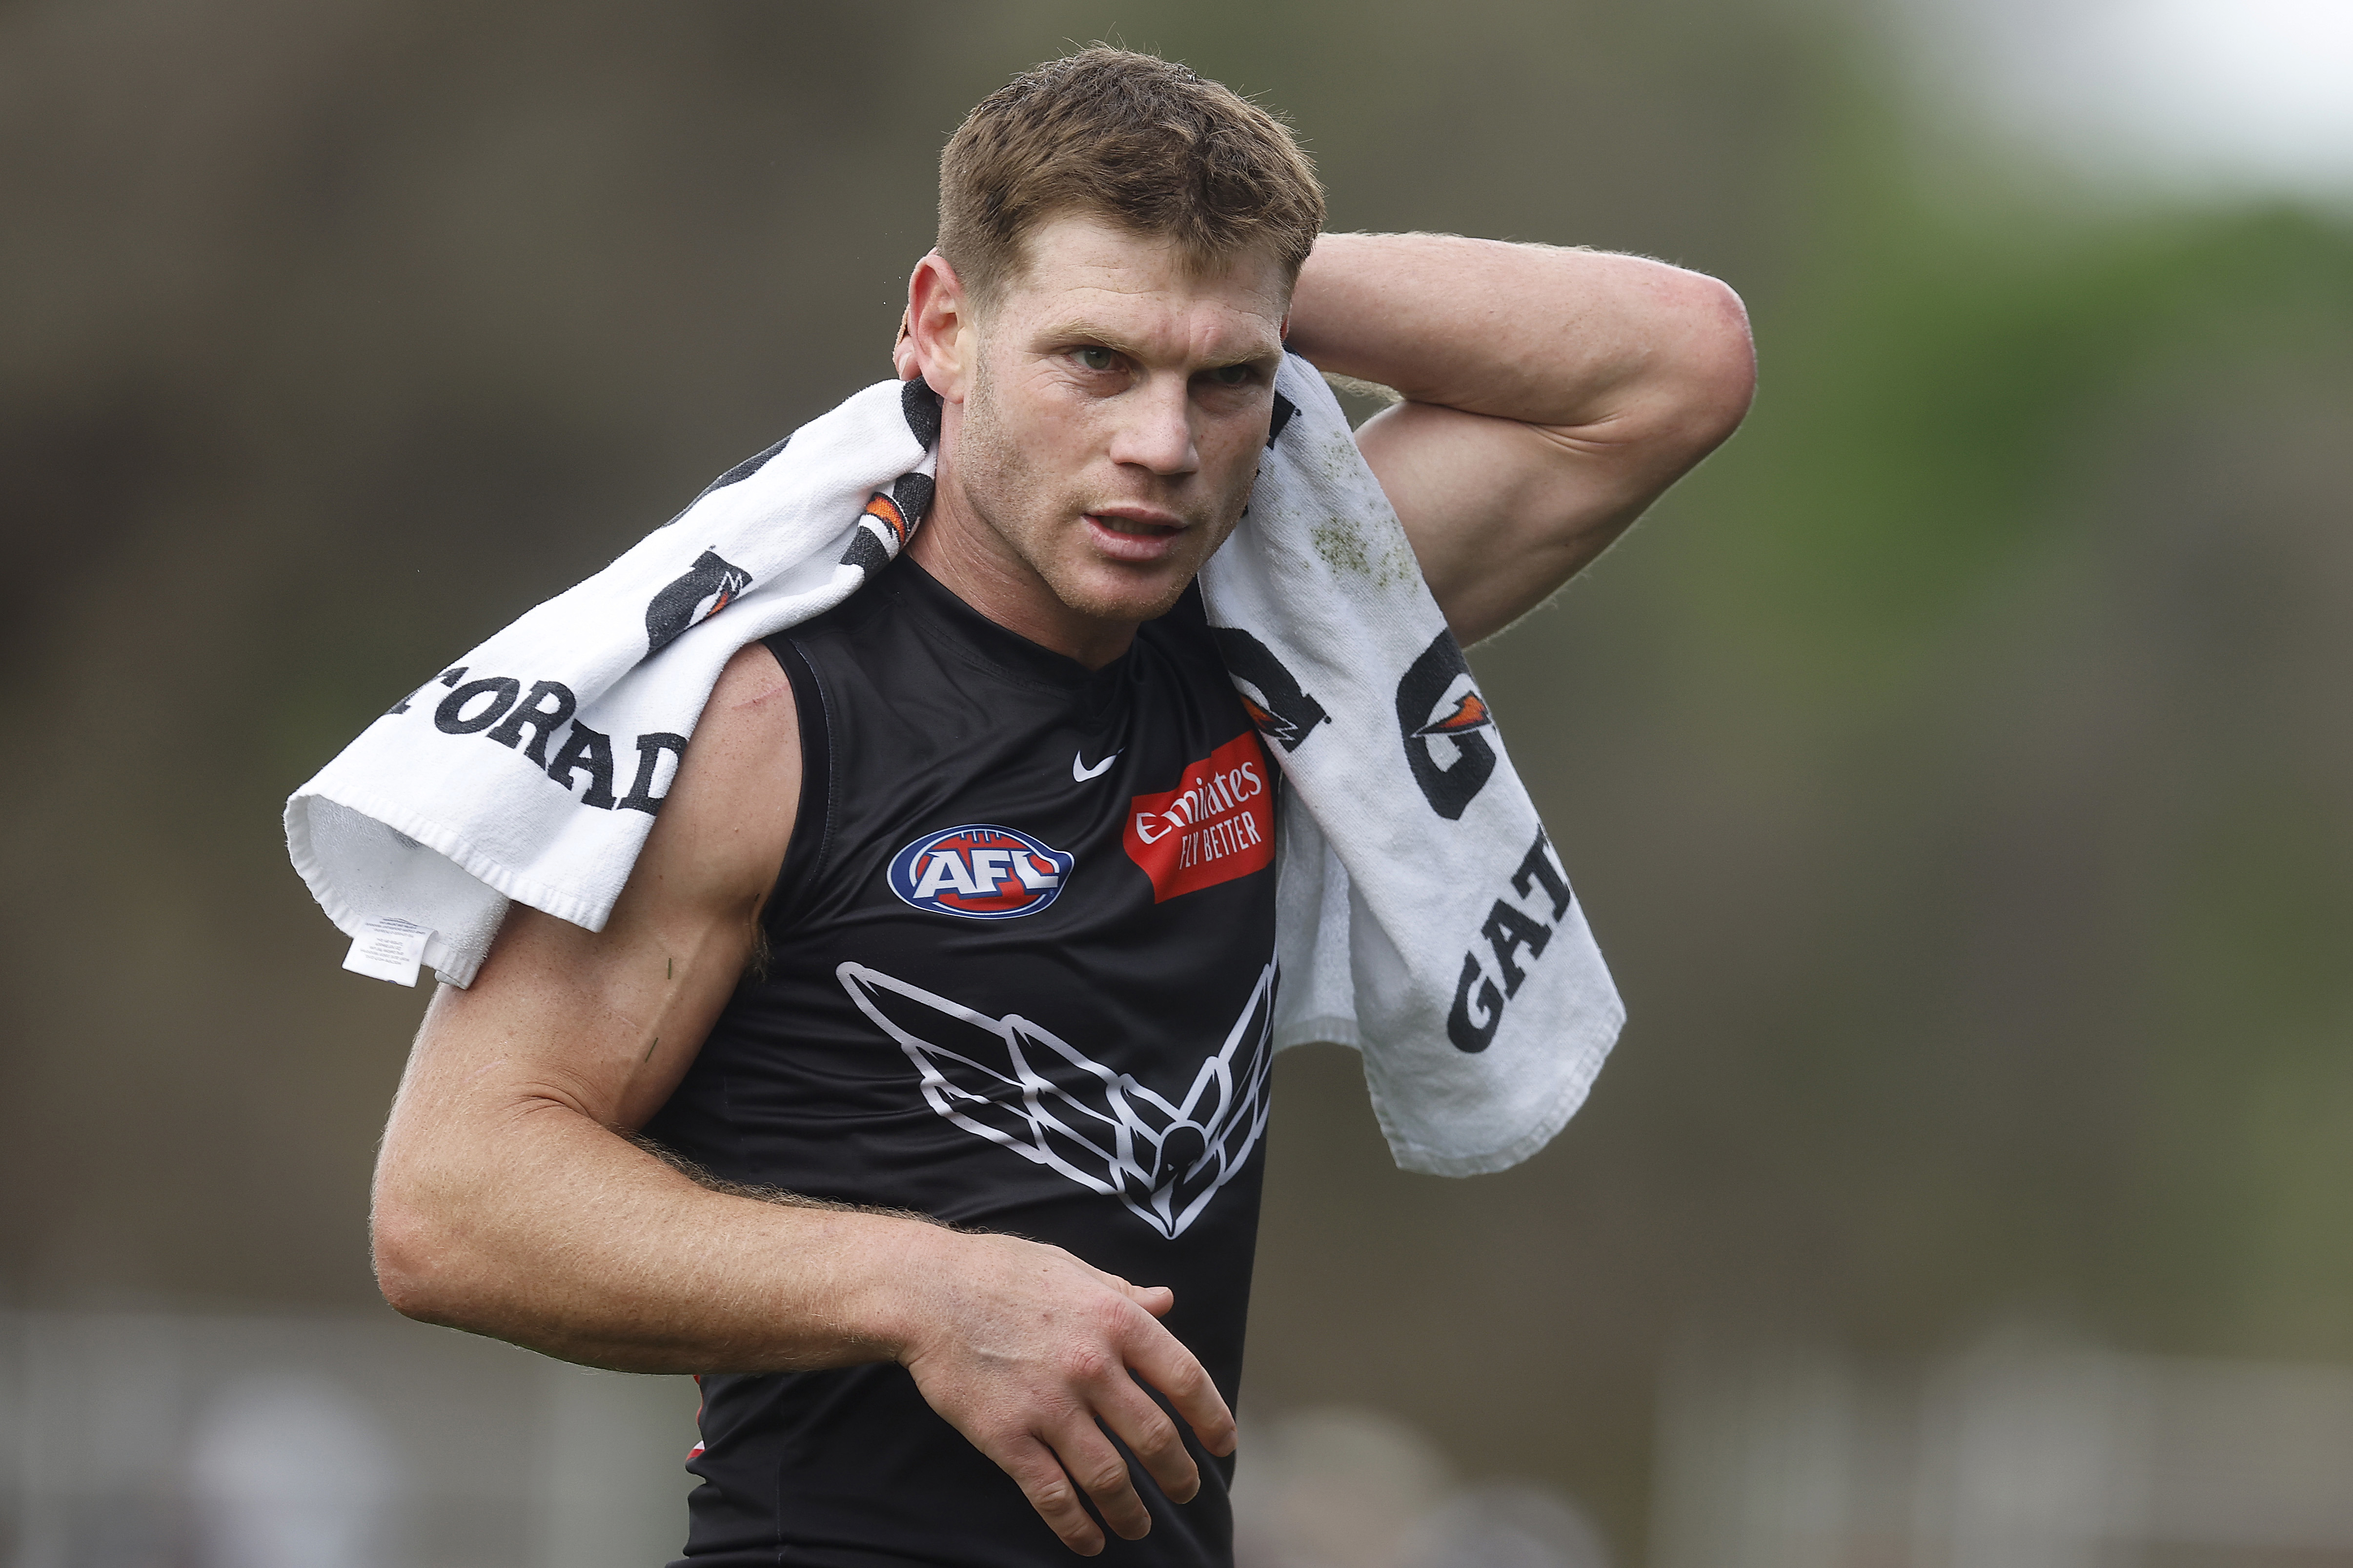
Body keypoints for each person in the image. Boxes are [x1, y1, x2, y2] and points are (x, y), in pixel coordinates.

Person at [368, 47, 1753, 1568]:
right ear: (944, 326)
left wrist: (1240, 273)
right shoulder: (772, 718)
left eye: (1227, 377)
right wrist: (930, 1291)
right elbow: (452, 1200)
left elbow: (1673, 364)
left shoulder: (1273, 644)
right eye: (1094, 359)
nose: (1163, 444)